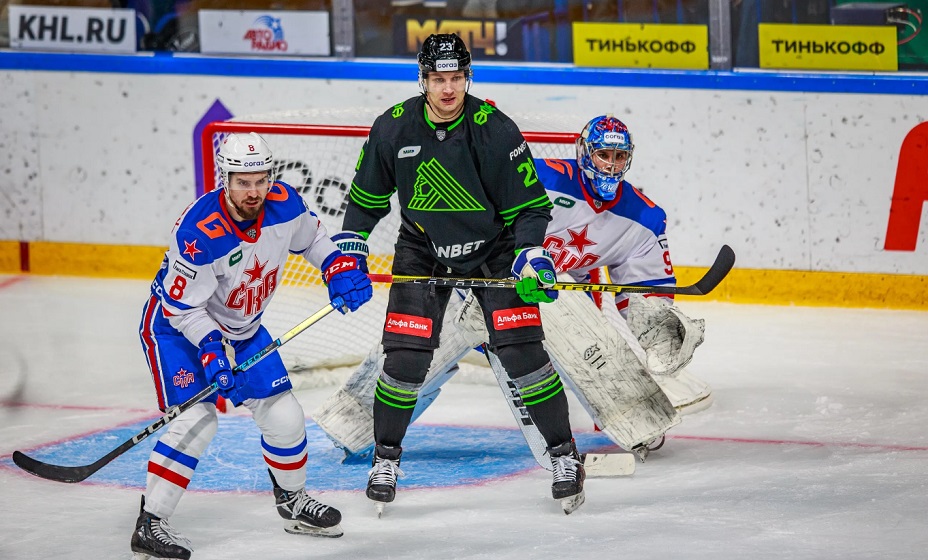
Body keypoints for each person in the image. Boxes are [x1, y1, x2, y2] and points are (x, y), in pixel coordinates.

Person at [314, 114, 710, 468]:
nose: (611, 164)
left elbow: (644, 288)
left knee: (588, 343)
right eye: (603, 154)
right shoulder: (540, 176)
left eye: (619, 157)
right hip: (474, 280)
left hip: (548, 297)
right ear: (584, 153)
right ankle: (352, 422)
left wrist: (659, 328)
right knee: (410, 358)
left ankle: (639, 419)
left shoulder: (642, 217)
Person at [332, 33, 585, 514]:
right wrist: (350, 250)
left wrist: (530, 254)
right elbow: (366, 201)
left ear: (468, 78)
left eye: (456, 78)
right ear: (423, 80)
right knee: (404, 359)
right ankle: (385, 459)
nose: (448, 89)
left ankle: (564, 456)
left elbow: (530, 207)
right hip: (422, 248)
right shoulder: (393, 127)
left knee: (523, 355)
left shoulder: (495, 129)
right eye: (437, 79)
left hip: (493, 249)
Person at [132, 132, 373, 559]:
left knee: (285, 416)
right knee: (198, 420)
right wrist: (211, 352)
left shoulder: (284, 203)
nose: (254, 191)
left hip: (242, 329)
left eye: (261, 180)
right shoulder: (199, 232)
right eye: (243, 182)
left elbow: (313, 239)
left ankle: (292, 502)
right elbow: (182, 309)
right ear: (225, 179)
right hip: (178, 328)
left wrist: (336, 267)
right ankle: (150, 523)